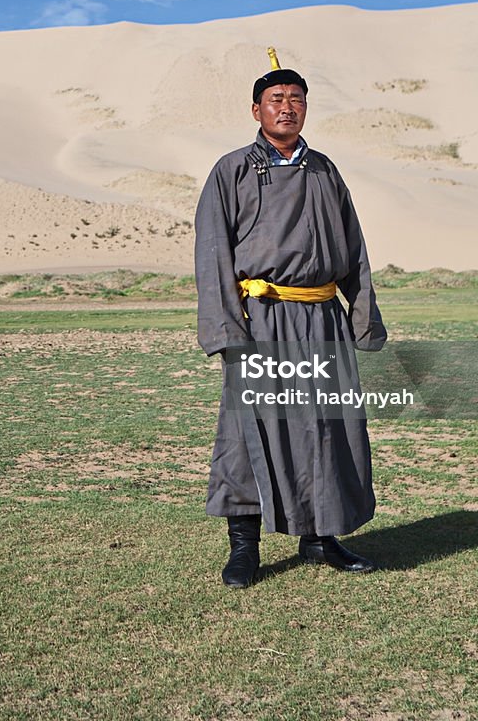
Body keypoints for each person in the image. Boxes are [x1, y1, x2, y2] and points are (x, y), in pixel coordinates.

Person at [194, 48, 387, 587]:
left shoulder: (325, 170)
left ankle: (322, 539)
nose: (287, 108)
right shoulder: (231, 170)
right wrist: (227, 329)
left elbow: (353, 250)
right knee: (247, 427)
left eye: (296, 100)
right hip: (261, 320)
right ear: (255, 110)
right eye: (276, 100)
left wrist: (362, 318)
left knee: (327, 428)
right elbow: (212, 253)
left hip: (322, 320)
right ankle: (244, 547)